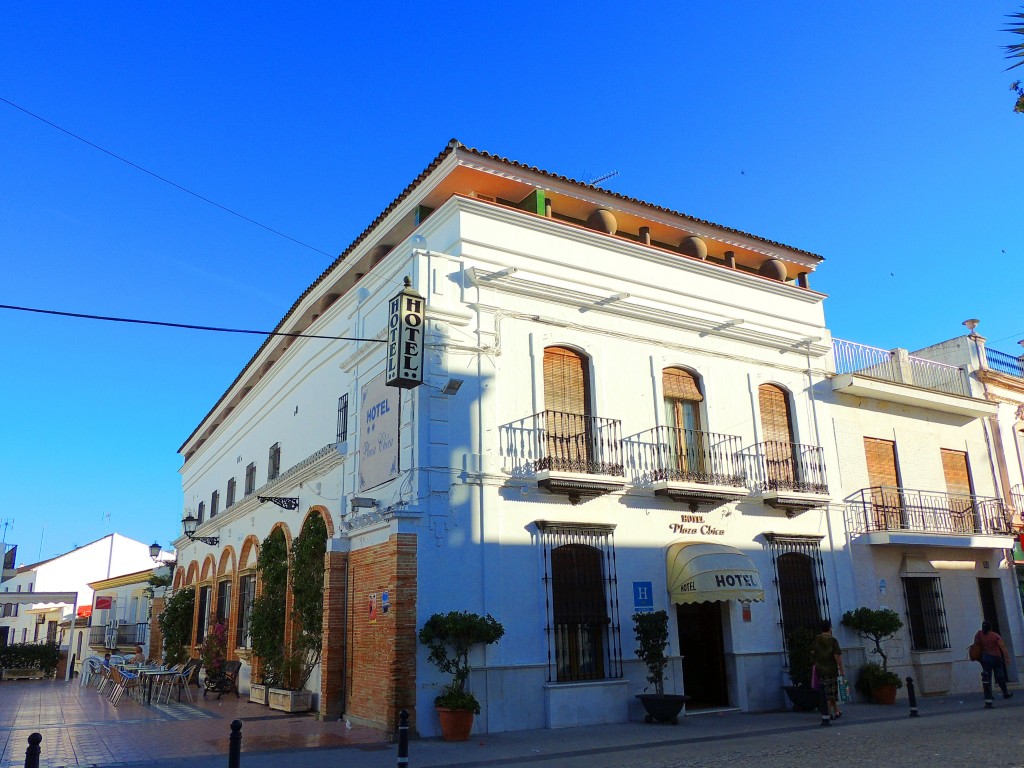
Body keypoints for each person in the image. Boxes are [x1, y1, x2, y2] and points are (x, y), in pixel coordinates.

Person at [812, 619, 845, 724]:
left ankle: (836, 710)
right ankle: (828, 713)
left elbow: (813, 652)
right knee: (831, 692)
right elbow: (837, 656)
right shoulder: (832, 640)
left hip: (820, 669)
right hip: (831, 670)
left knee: (826, 691)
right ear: (829, 628)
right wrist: (841, 670)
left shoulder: (817, 639)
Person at [974, 620, 1013, 708]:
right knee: (999, 676)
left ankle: (989, 695)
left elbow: (976, 644)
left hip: (985, 658)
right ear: (990, 628)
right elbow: (1002, 647)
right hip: (996, 657)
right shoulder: (995, 636)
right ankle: (1005, 692)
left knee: (987, 678)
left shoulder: (979, 634)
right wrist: (1007, 657)